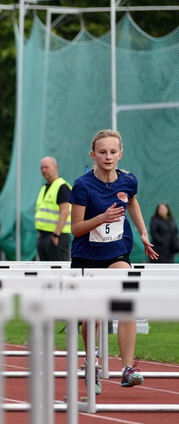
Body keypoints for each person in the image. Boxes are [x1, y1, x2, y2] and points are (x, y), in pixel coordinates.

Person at [69, 129, 153, 393]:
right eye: (103, 152)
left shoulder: (128, 180)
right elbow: (76, 228)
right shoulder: (82, 185)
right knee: (92, 316)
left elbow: (133, 203)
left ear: (121, 154)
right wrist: (101, 218)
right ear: (93, 155)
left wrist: (142, 232)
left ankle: (127, 368)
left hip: (117, 251)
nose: (108, 157)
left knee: (126, 304)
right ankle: (91, 362)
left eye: (113, 152)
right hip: (86, 255)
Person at [35, 156, 72, 261]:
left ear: (55, 167)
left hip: (57, 236)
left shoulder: (62, 187)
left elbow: (65, 212)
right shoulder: (44, 188)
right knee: (45, 272)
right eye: (42, 168)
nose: (43, 170)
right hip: (43, 236)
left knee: (59, 271)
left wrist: (56, 235)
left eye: (46, 167)